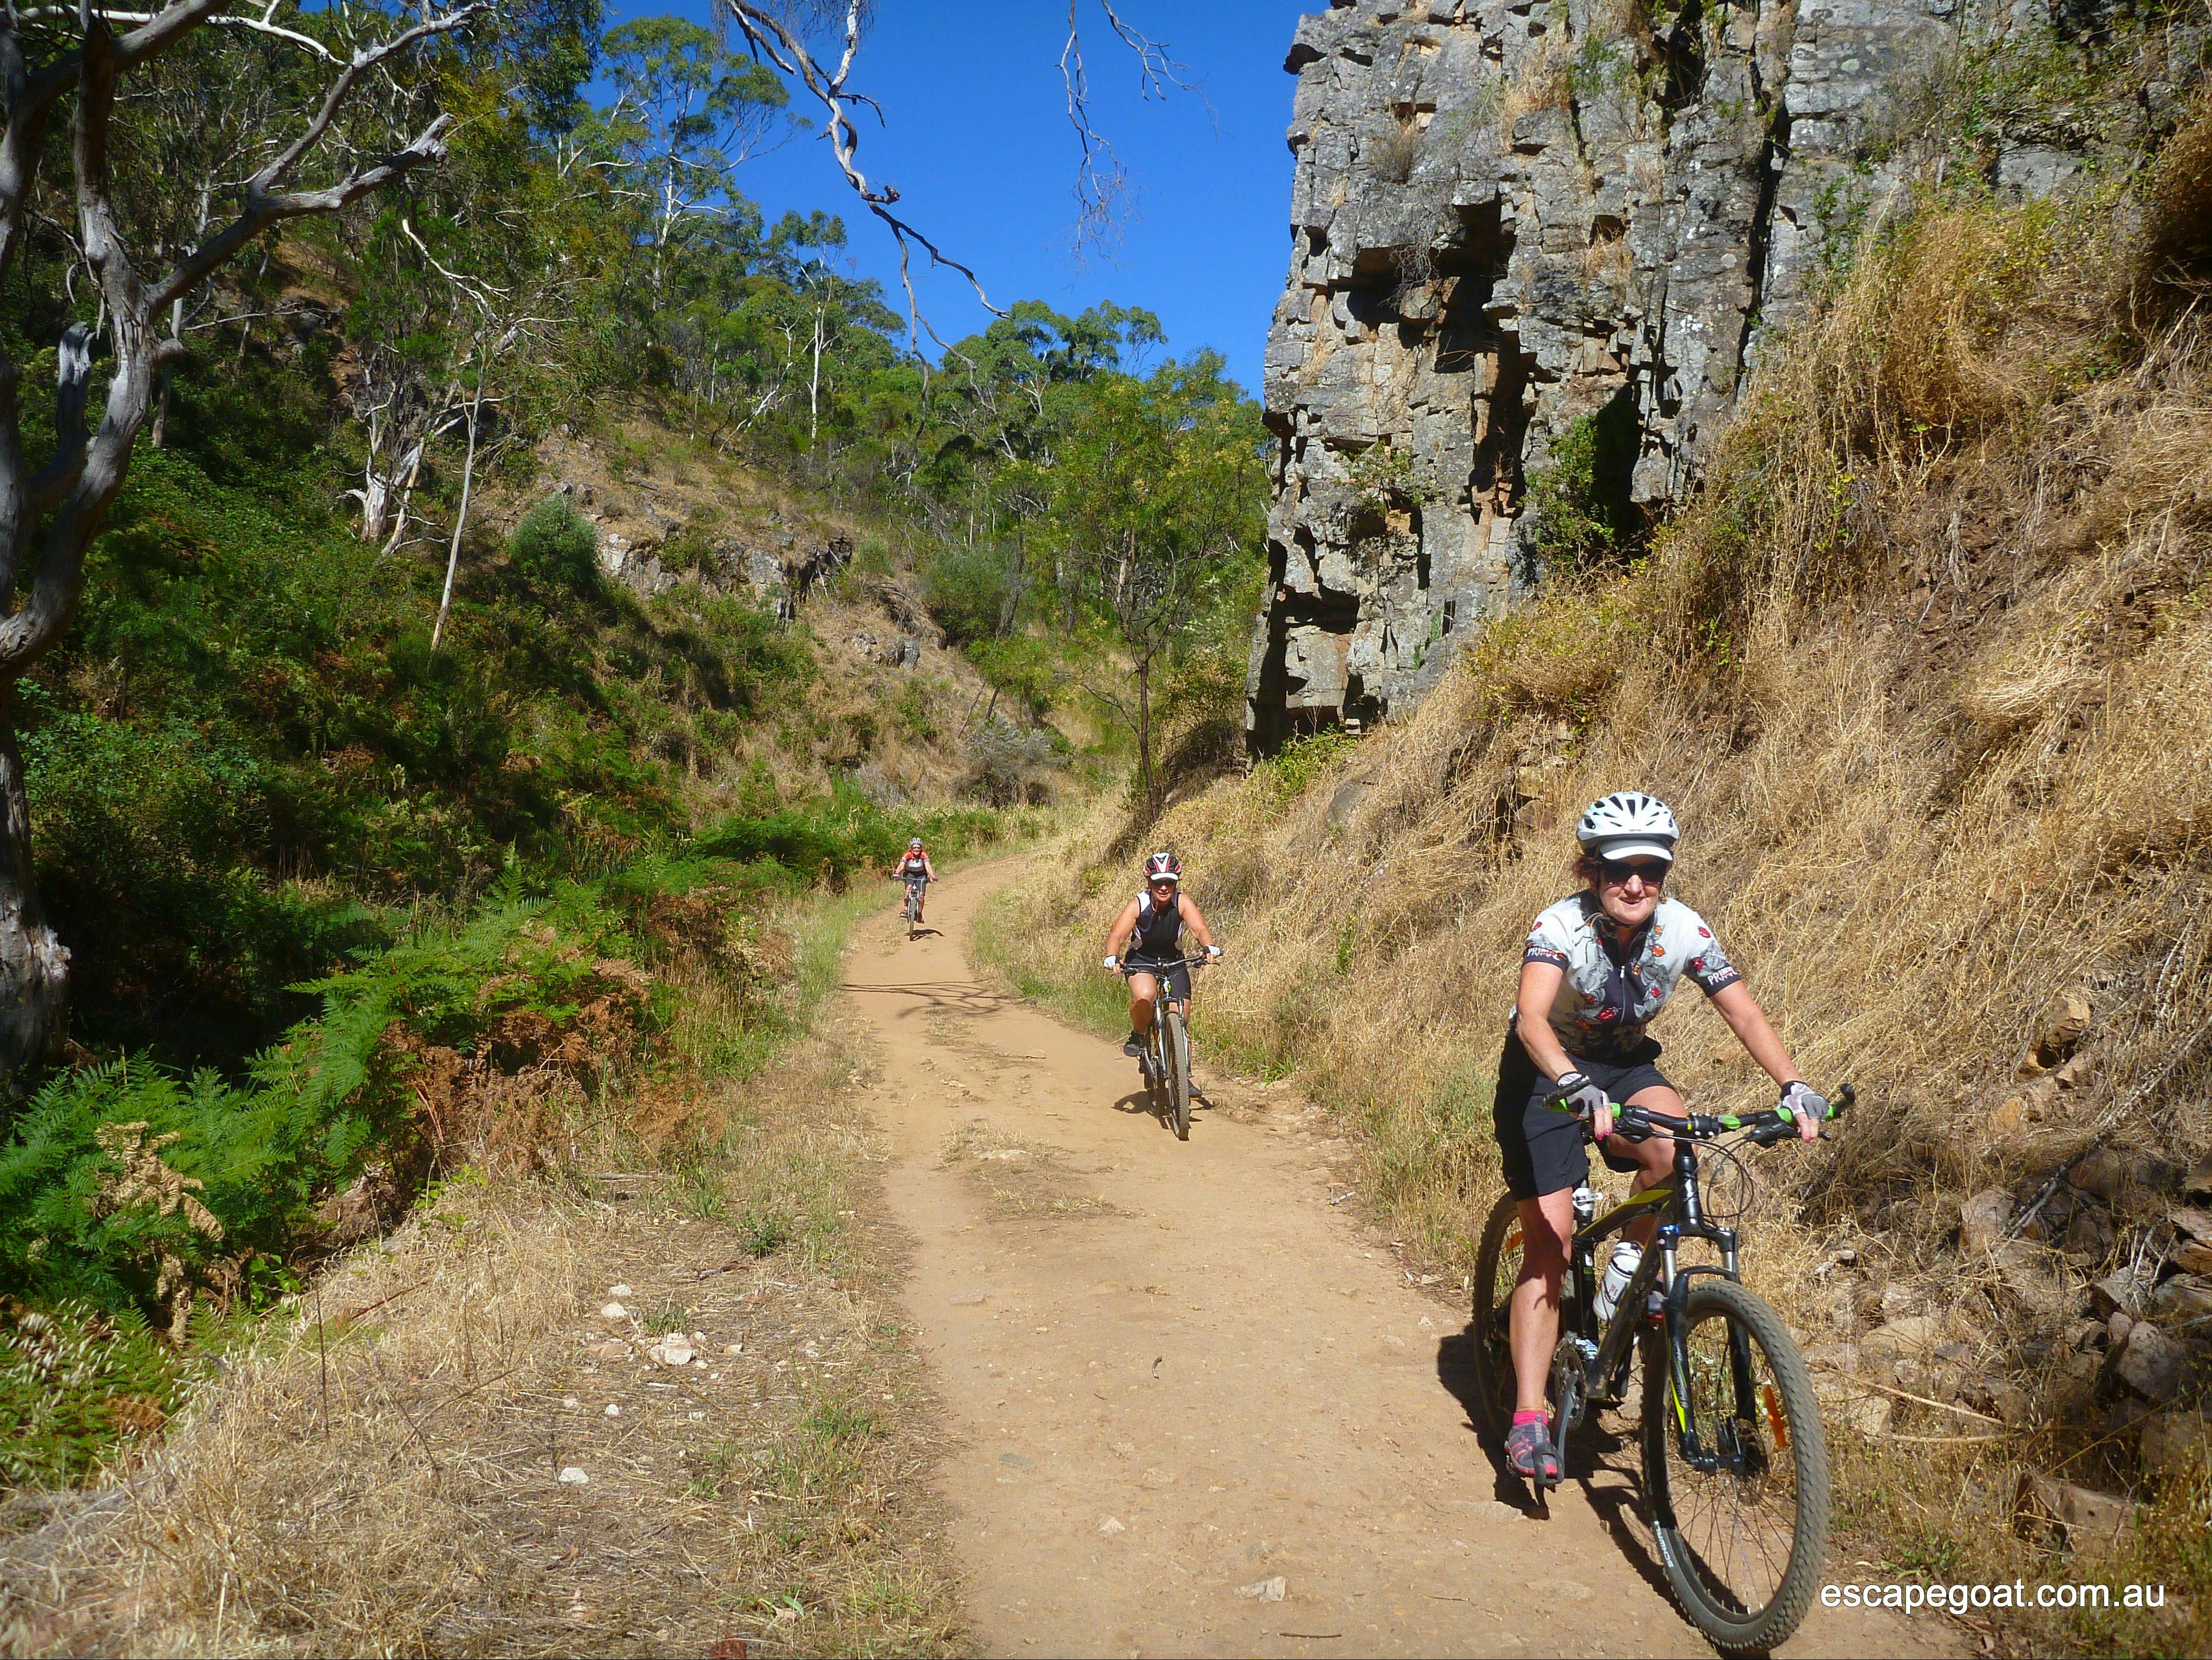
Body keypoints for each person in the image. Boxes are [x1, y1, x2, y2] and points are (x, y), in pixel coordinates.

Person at [1494, 791, 1826, 1482]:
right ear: (1591, 871)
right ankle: (1529, 1416)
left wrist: (1793, 1085)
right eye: (1619, 869)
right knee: (1551, 1244)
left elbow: (1744, 1014)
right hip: (1544, 1074)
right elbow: (1531, 1018)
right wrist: (1571, 1084)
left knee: (1677, 1155)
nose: (1636, 883)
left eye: (1651, 868)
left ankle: (1623, 1279)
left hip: (1622, 1066)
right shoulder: (1560, 926)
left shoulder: (1683, 930)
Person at [1102, 852, 1221, 1064]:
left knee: (1181, 1020)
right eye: (1158, 882)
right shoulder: (1139, 903)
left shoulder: (1182, 901)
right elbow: (1117, 935)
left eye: (1169, 882)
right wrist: (1112, 956)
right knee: (1146, 995)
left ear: (1176, 883)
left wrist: (1209, 946)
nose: (1164, 887)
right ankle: (1139, 1034)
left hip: (1174, 962)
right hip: (1142, 960)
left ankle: (1183, 1078)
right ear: (1150, 882)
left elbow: (1199, 929)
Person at [890, 837, 934, 924]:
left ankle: (920, 914)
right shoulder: (907, 855)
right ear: (911, 849)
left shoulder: (924, 855)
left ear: (921, 848)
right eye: (914, 848)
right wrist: (897, 873)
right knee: (908, 888)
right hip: (910, 874)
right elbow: (902, 865)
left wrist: (932, 876)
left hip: (921, 875)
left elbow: (928, 866)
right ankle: (906, 908)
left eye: (918, 848)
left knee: (921, 895)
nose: (916, 850)